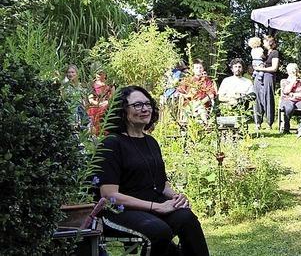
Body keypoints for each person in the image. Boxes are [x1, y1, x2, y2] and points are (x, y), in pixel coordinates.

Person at [96, 86, 209, 256]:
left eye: (148, 104)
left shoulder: (151, 142)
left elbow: (162, 185)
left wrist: (176, 197)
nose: (145, 109)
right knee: (159, 231)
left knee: (187, 219)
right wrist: (156, 207)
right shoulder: (111, 144)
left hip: (154, 205)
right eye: (138, 105)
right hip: (119, 211)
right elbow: (109, 195)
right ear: (123, 110)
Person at [253, 35, 279, 130]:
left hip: (268, 76)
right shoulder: (263, 52)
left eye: (265, 41)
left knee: (268, 98)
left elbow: (274, 68)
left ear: (270, 42)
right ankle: (258, 122)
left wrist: (260, 68)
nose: (263, 43)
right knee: (257, 98)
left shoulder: (275, 53)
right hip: (258, 76)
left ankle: (269, 123)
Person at [279, 63, 301, 133]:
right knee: (289, 107)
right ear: (288, 71)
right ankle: (286, 128)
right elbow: (286, 91)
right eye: (291, 70)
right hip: (287, 100)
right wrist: (292, 81)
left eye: (294, 70)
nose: (293, 72)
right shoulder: (284, 81)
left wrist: (293, 95)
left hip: (299, 101)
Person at [61, 64, 89, 130]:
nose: (70, 74)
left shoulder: (81, 87)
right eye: (69, 72)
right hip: (67, 112)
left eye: (72, 72)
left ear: (76, 73)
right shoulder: (64, 86)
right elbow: (62, 99)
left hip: (79, 114)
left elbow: (85, 102)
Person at [87, 69, 114, 135]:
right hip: (95, 106)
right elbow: (90, 98)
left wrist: (107, 102)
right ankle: (94, 134)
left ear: (105, 75)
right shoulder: (92, 85)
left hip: (106, 106)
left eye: (101, 74)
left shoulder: (109, 85)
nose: (99, 75)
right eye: (98, 74)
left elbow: (113, 97)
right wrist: (98, 104)